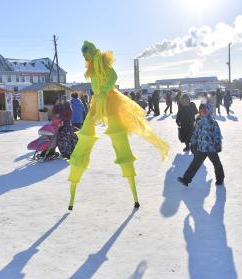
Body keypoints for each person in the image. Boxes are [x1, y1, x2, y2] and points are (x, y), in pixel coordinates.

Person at [67, 41, 168, 210]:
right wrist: (98, 94)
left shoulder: (102, 61)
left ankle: (134, 194)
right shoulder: (92, 68)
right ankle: (73, 188)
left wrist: (105, 90)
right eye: (83, 56)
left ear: (91, 52)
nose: (85, 58)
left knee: (119, 139)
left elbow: (113, 76)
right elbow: (96, 86)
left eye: (87, 54)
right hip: (95, 103)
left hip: (110, 101)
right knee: (85, 137)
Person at [178, 103, 224, 186]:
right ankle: (186, 179)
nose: (202, 112)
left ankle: (220, 179)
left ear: (208, 111)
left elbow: (217, 134)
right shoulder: (199, 123)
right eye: (201, 111)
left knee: (217, 163)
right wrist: (193, 143)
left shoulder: (213, 123)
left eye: (204, 111)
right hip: (201, 148)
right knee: (194, 164)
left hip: (211, 148)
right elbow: (195, 134)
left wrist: (217, 145)